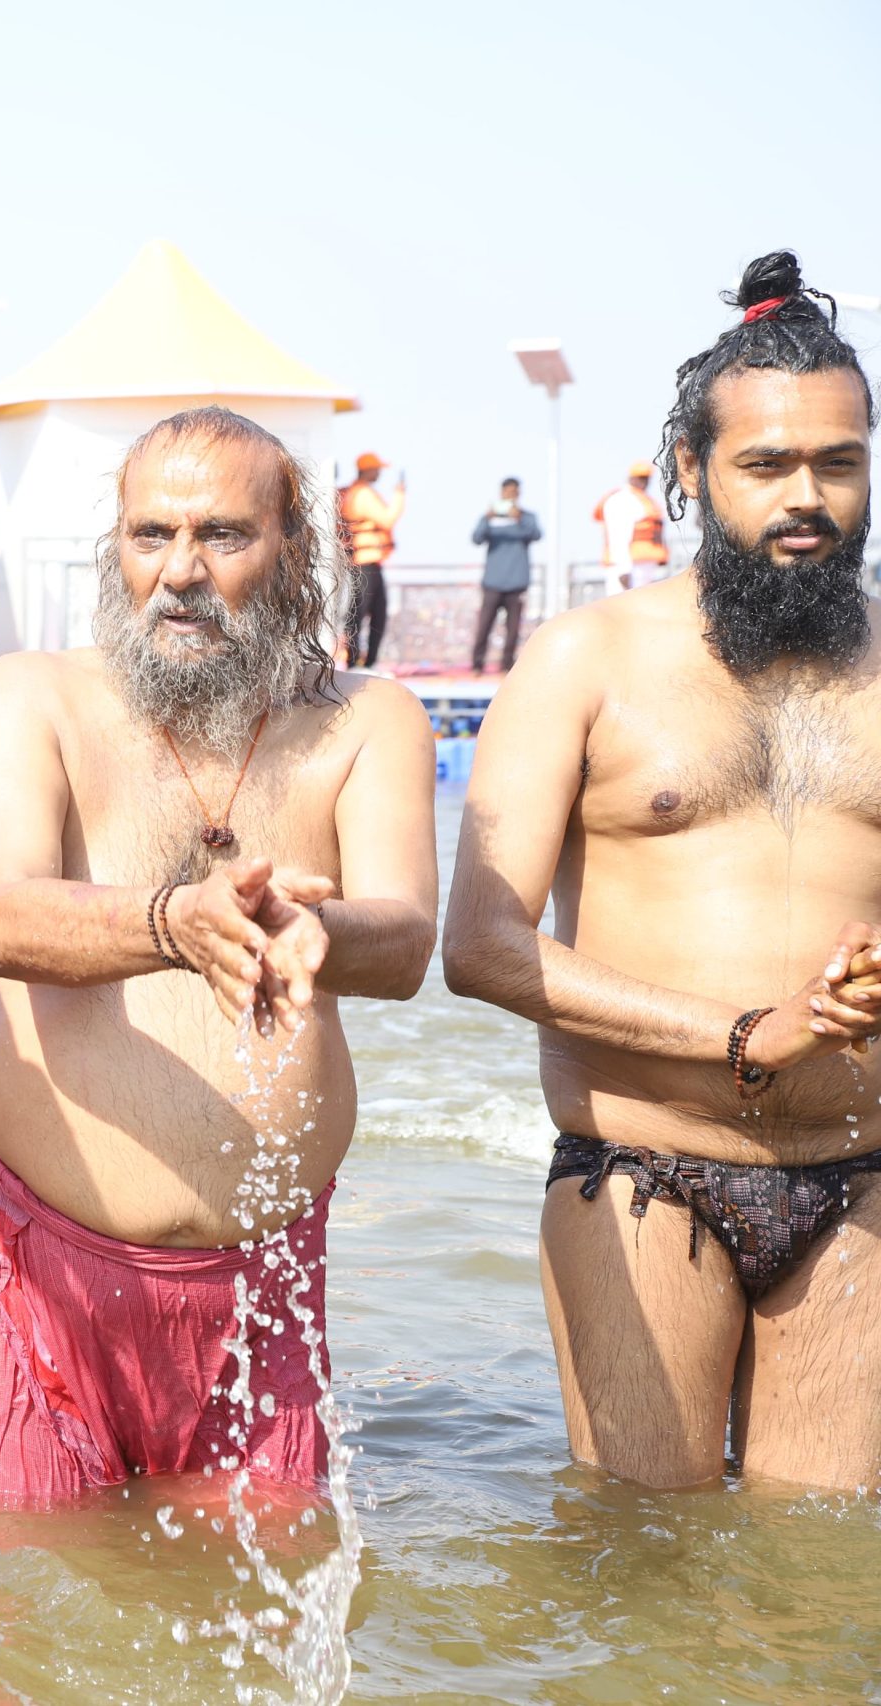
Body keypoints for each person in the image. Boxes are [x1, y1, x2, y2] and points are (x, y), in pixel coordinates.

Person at [443, 249, 881, 1490]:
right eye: (766, 465)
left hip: (862, 1181)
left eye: (839, 464)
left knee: (819, 1584)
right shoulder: (585, 659)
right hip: (643, 1169)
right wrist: (746, 1030)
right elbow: (478, 944)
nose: (808, 497)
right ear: (689, 473)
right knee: (641, 1568)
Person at [0, 405, 438, 1505]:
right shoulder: (34, 694)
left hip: (265, 1270)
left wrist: (322, 931)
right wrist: (177, 921)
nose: (179, 571)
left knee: (266, 1613)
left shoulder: (368, 719)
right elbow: (2, 917)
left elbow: (406, 935)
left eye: (222, 535)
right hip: (40, 1256)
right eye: (148, 536)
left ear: (294, 548)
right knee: (38, 1611)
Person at [338, 451, 403, 669]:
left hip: (365, 561)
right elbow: (387, 519)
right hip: (364, 562)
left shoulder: (355, 492)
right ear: (368, 470)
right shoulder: (363, 494)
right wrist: (400, 495)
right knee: (362, 611)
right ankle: (356, 661)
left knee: (372, 610)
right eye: (377, 469)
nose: (379, 474)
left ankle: (364, 660)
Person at [469, 477, 541, 675]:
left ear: (518, 494)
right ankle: (477, 665)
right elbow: (476, 538)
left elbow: (536, 534)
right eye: (506, 493)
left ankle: (506, 666)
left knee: (513, 629)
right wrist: (487, 518)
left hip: (517, 582)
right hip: (493, 582)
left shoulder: (527, 517)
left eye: (513, 492)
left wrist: (519, 519)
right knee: (484, 625)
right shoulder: (491, 519)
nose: (510, 496)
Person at [596, 459, 673, 590]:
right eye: (641, 478)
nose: (644, 482)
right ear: (631, 478)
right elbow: (618, 535)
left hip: (643, 565)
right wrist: (623, 569)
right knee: (621, 606)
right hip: (628, 567)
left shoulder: (644, 499)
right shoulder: (622, 499)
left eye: (646, 478)